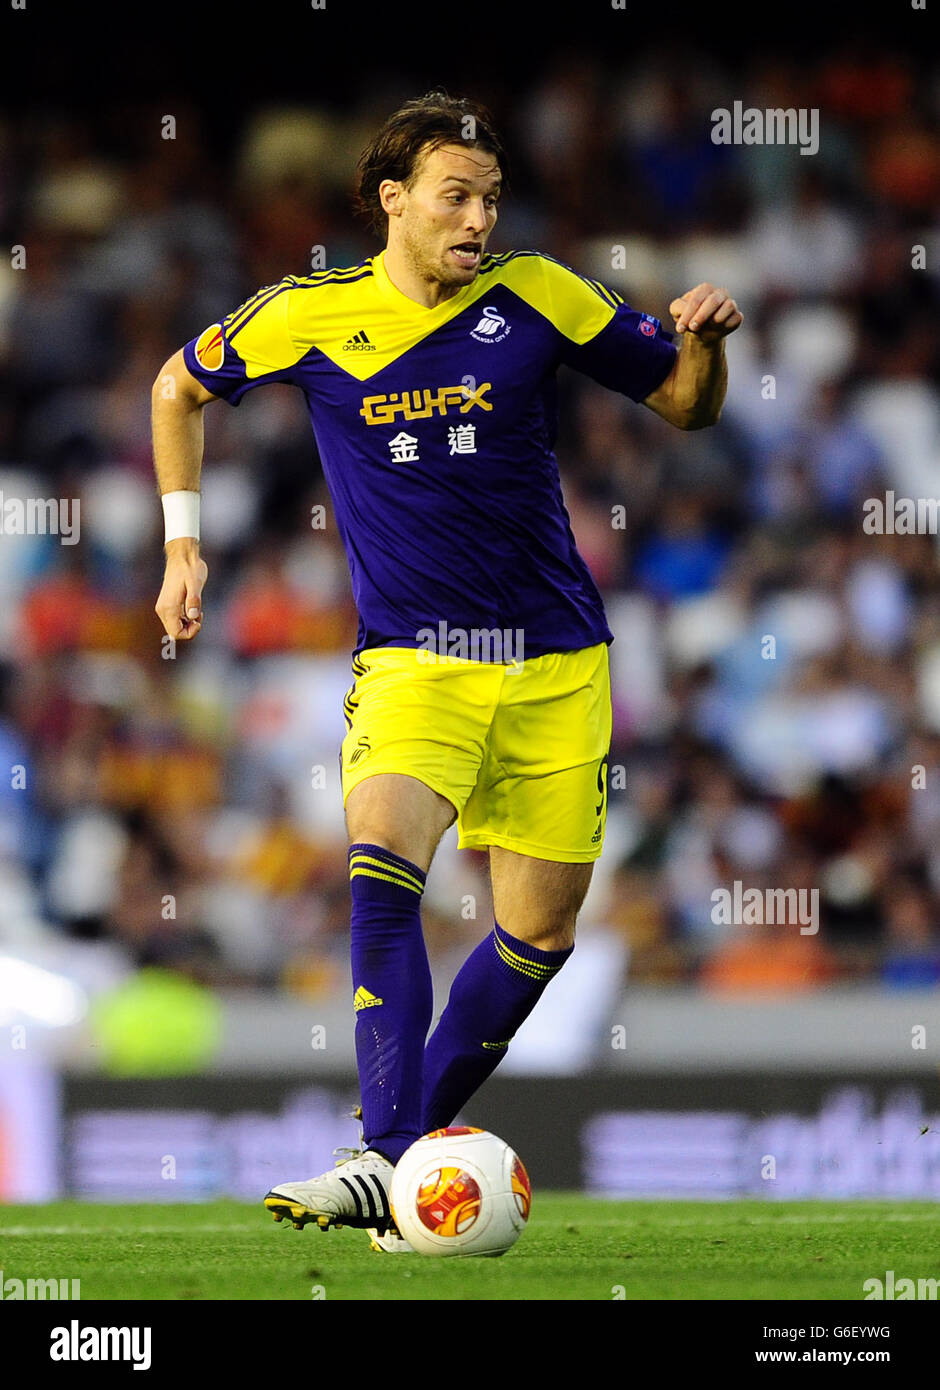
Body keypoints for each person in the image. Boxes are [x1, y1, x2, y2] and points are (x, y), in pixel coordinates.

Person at [151, 90, 742, 1249]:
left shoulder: (539, 293)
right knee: (383, 870)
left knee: (539, 937)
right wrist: (182, 537)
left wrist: (706, 351)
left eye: (490, 198)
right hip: (415, 660)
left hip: (556, 662)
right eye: (455, 197)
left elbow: (684, 406)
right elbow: (178, 386)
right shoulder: (310, 314)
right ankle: (380, 1157)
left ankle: (402, 1140)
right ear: (393, 201)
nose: (478, 218)